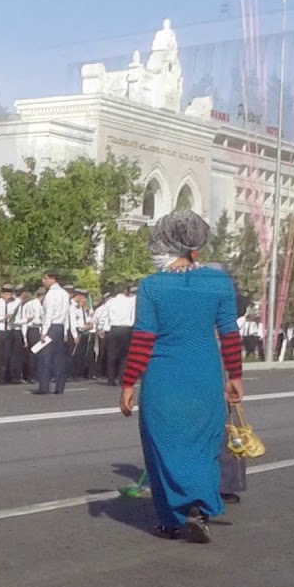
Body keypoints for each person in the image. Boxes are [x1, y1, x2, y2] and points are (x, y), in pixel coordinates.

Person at [119, 210, 244, 544]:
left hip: (163, 379)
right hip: (205, 376)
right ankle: (199, 509)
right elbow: (230, 333)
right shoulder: (218, 282)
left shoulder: (152, 286)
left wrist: (129, 382)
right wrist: (235, 376)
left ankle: (171, 520)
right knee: (203, 447)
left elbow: (144, 338)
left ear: (166, 241)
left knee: (163, 446)